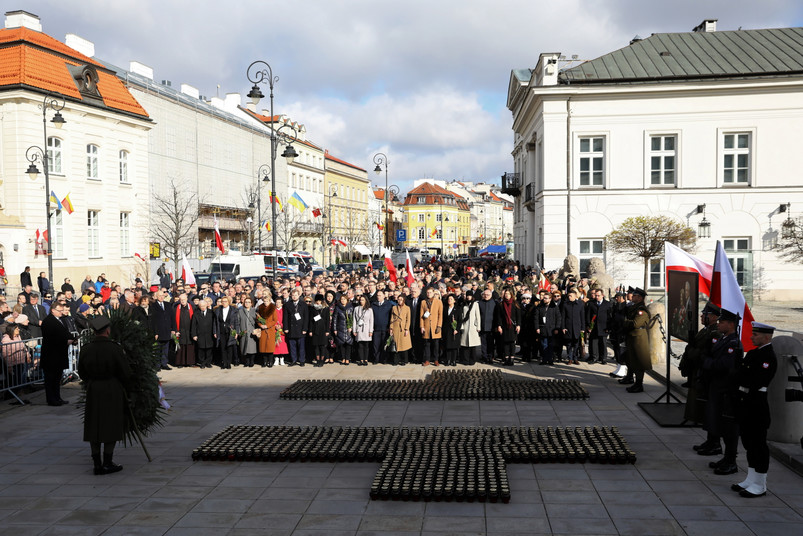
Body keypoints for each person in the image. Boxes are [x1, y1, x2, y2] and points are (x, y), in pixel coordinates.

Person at [77, 315, 131, 475]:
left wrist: (91, 381)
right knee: (110, 424)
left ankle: (97, 464)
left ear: (94, 332)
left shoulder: (86, 348)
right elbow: (125, 372)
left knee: (94, 425)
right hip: (111, 387)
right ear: (108, 331)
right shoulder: (114, 348)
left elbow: (81, 372)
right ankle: (107, 462)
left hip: (94, 388)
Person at [732, 322, 778, 498]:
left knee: (759, 445)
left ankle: (760, 484)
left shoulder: (768, 357)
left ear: (767, 337)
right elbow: (740, 375)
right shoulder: (753, 353)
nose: (752, 337)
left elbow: (756, 380)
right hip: (746, 403)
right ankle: (751, 478)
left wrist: (741, 380)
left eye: (756, 335)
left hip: (756, 404)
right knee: (749, 444)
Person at [703, 308, 744, 476]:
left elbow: (724, 366)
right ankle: (726, 458)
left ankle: (731, 460)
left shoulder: (733, 344)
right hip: (718, 387)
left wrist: (707, 362)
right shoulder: (724, 339)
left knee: (729, 428)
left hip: (726, 389)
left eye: (722, 322)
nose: (719, 324)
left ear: (731, 324)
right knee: (718, 422)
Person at [681, 303, 720, 440]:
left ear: (714, 317)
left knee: (703, 401)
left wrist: (691, 352)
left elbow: (705, 352)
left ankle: (705, 427)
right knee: (694, 396)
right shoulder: (706, 330)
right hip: (697, 369)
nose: (702, 316)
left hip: (703, 371)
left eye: (705, 314)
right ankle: (695, 417)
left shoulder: (715, 332)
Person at [40, 301, 74, 406]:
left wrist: (73, 339)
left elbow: (65, 333)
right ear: (53, 310)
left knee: (57, 378)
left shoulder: (60, 320)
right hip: (51, 355)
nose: (61, 312)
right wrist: (66, 341)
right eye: (59, 310)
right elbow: (51, 339)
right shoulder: (48, 322)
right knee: (50, 378)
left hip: (59, 354)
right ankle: (51, 399)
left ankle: (57, 397)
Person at [620, 288, 652, 392]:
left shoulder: (641, 310)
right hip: (632, 337)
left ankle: (639, 384)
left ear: (640, 298)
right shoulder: (635, 307)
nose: (632, 297)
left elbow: (635, 324)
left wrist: (624, 322)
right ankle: (631, 378)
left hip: (639, 338)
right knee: (630, 359)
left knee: (639, 362)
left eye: (634, 296)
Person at [494, 287, 522, 366]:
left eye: (508, 294)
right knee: (505, 343)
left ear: (511, 295)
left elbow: (518, 316)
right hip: (504, 326)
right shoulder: (501, 304)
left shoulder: (515, 304)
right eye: (505, 294)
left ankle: (512, 358)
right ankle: (506, 358)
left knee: (512, 343)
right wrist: (499, 326)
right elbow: (498, 316)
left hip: (513, 326)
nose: (506, 295)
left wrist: (518, 325)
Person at [284, 288, 309, 367]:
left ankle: (302, 360)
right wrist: (286, 328)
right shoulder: (288, 304)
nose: (294, 297)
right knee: (292, 346)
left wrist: (305, 328)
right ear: (291, 296)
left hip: (301, 328)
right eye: (293, 295)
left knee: (301, 346)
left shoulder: (303, 304)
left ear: (299, 295)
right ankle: (294, 360)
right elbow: (285, 317)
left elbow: (306, 318)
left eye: (296, 295)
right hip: (291, 328)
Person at [585, 288, 611, 365]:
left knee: (603, 343)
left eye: (598, 295)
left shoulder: (607, 304)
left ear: (602, 295)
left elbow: (609, 317)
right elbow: (588, 316)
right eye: (596, 295)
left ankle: (603, 358)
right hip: (594, 327)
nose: (596, 297)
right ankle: (594, 357)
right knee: (594, 343)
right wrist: (588, 326)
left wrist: (608, 328)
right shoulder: (591, 303)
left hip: (603, 327)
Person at [535, 290, 561, 366]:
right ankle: (544, 359)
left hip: (551, 329)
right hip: (543, 328)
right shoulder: (540, 307)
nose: (544, 299)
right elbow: (536, 318)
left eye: (546, 298)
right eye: (544, 298)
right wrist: (537, 327)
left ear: (550, 299)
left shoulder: (554, 307)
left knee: (550, 345)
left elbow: (558, 318)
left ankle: (550, 359)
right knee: (544, 345)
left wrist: (557, 328)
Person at [420, 287, 443, 366]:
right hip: (426, 326)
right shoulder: (423, 302)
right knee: (427, 344)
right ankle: (427, 360)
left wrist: (439, 326)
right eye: (427, 292)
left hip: (435, 326)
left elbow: (440, 315)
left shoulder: (438, 302)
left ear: (433, 293)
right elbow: (421, 316)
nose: (428, 294)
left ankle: (436, 359)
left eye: (430, 292)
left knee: (436, 344)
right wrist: (422, 326)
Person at [191, 298, 217, 369]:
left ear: (206, 305)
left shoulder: (211, 312)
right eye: (201, 306)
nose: (202, 307)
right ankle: (202, 363)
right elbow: (193, 325)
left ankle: (208, 362)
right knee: (201, 350)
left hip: (209, 334)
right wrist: (194, 335)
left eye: (204, 306)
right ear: (199, 306)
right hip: (200, 334)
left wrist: (215, 332)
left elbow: (214, 323)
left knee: (209, 349)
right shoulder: (196, 314)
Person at [370, 290, 394, 364]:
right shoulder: (373, 304)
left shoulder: (389, 305)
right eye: (377, 295)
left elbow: (391, 317)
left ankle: (384, 359)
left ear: (384, 296)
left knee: (384, 344)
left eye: (380, 295)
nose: (378, 297)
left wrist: (390, 327)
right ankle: (376, 359)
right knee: (376, 345)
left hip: (385, 328)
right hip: (376, 328)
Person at [215, 296, 239, 369]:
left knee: (229, 347)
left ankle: (228, 363)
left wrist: (236, 332)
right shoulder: (218, 310)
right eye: (222, 301)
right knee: (223, 347)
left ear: (229, 302)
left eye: (225, 301)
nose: (224, 303)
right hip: (221, 330)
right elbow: (215, 322)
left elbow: (236, 322)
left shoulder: (233, 310)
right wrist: (215, 332)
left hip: (230, 331)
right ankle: (224, 363)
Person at [458, 290, 481, 366]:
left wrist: (478, 326)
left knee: (472, 345)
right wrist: (461, 326)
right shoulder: (463, 304)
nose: (468, 297)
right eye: (467, 295)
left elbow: (478, 316)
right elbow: (461, 316)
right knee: (465, 345)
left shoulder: (475, 304)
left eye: (470, 295)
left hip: (473, 327)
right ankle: (465, 360)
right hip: (465, 326)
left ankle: (472, 360)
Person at [172, 294, 195, 367]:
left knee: (189, 346)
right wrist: (175, 331)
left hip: (189, 330)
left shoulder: (192, 307)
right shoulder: (176, 308)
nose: (183, 301)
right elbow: (173, 321)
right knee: (180, 347)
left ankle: (190, 362)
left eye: (184, 299)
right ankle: (180, 363)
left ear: (187, 299)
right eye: (181, 300)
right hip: (180, 330)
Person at [307, 294, 330, 367]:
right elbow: (311, 320)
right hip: (315, 329)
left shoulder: (326, 308)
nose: (318, 302)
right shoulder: (313, 308)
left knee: (322, 346)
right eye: (317, 301)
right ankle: (317, 360)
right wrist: (310, 330)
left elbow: (327, 320)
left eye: (319, 301)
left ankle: (321, 360)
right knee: (316, 346)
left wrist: (327, 331)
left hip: (323, 329)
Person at [389, 294, 412, 366]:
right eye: (398, 299)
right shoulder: (394, 308)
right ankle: (395, 360)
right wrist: (391, 328)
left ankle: (404, 360)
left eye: (401, 299)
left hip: (403, 328)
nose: (400, 301)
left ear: (404, 300)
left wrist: (406, 329)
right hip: (396, 327)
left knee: (404, 345)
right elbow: (391, 319)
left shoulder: (407, 308)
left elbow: (408, 319)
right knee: (395, 345)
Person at [332, 293, 354, 366]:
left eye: (344, 299)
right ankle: (343, 358)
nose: (343, 301)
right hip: (340, 327)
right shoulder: (337, 308)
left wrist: (351, 327)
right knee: (341, 344)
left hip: (348, 328)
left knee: (348, 344)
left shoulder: (351, 307)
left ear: (347, 300)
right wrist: (335, 329)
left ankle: (347, 358)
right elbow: (335, 319)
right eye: (341, 299)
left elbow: (353, 318)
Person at [352, 294, 374, 366]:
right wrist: (354, 330)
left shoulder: (369, 309)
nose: (361, 301)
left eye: (363, 300)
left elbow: (371, 321)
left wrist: (371, 331)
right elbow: (354, 320)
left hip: (367, 329)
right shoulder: (356, 309)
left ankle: (366, 359)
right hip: (359, 328)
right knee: (360, 345)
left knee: (366, 345)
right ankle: (361, 359)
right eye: (360, 300)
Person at [477, 289, 497, 365]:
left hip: (491, 327)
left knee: (491, 344)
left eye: (488, 295)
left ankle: (490, 357)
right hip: (482, 326)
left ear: (491, 295)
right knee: (484, 343)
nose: (486, 296)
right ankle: (484, 357)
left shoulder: (494, 303)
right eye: (484, 295)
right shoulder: (480, 303)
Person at [237, 296, 258, 367]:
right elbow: (238, 322)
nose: (247, 303)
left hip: (252, 332)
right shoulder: (240, 311)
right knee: (244, 347)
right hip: (244, 331)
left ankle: (252, 361)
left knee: (252, 348)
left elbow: (258, 322)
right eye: (246, 302)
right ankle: (246, 361)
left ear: (251, 303)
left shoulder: (254, 311)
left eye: (249, 302)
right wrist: (239, 331)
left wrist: (257, 331)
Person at [256, 298, 277, 367]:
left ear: (270, 301)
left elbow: (274, 320)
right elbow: (258, 319)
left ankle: (270, 361)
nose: (265, 302)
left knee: (270, 347)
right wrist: (261, 325)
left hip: (270, 330)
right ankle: (264, 362)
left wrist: (267, 325)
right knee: (263, 347)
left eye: (267, 301)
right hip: (263, 330)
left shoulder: (273, 309)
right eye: (264, 301)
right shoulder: (260, 308)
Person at [442, 294, 462, 366]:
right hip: (446, 329)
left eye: (451, 299)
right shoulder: (445, 308)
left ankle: (454, 360)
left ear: (454, 300)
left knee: (454, 346)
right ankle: (448, 360)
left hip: (454, 330)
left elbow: (460, 320)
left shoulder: (458, 309)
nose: (449, 300)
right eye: (448, 299)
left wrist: (457, 329)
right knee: (447, 346)